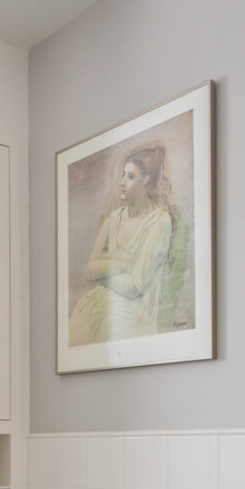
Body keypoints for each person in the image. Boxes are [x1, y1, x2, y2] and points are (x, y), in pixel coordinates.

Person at [68, 144, 175, 346]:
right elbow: (90, 270)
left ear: (145, 181)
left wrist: (104, 272)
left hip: (132, 316)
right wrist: (122, 265)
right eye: (123, 175)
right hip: (98, 307)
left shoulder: (159, 222)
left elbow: (135, 286)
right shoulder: (113, 219)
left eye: (130, 177)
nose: (122, 182)